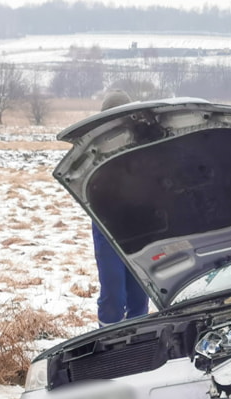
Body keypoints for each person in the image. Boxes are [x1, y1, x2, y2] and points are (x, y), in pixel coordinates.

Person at [92, 90, 149, 326]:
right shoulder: (94, 147)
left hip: (142, 225)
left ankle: (139, 348)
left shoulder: (143, 142)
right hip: (106, 224)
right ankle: (106, 342)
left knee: (140, 294)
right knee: (113, 294)